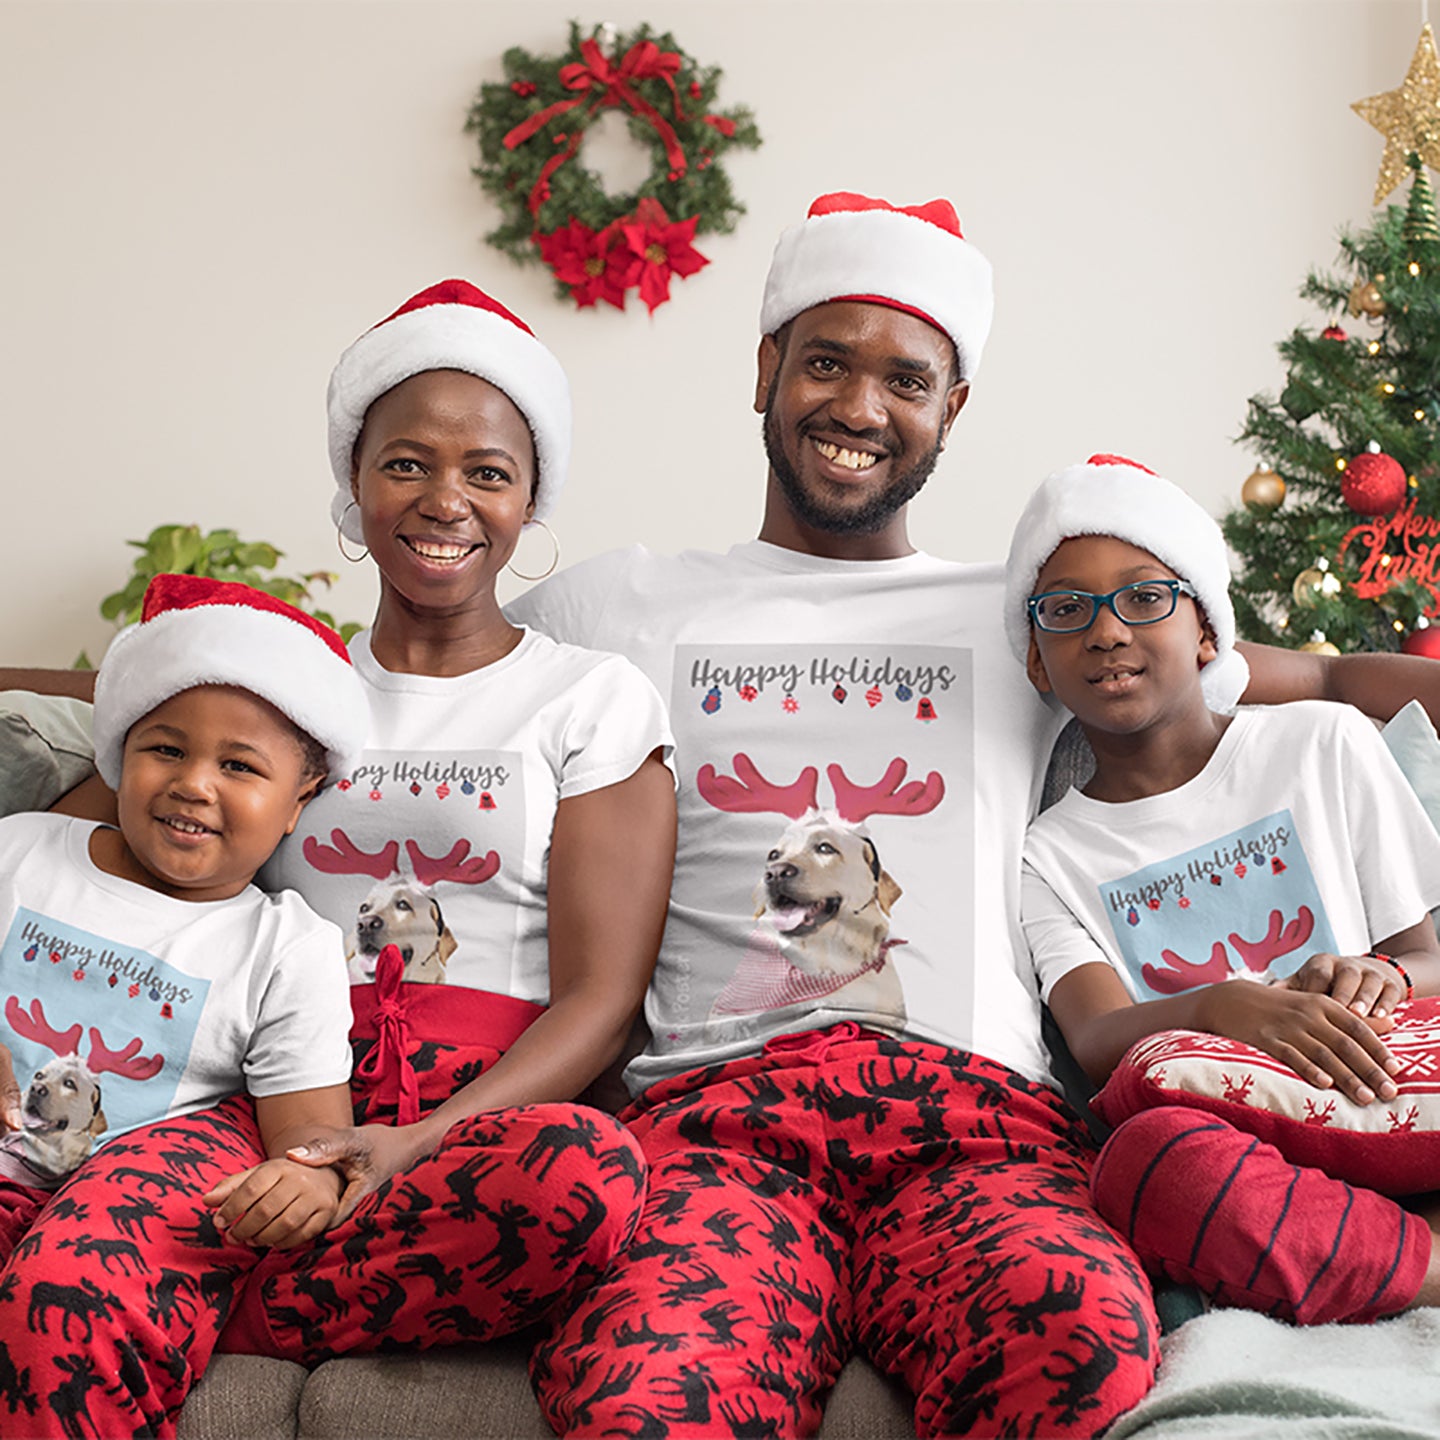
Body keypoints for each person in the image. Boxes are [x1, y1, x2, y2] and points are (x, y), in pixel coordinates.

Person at [507, 191, 1440, 1440]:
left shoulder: (1034, 616)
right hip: (716, 1125)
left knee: (1077, 1339)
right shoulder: (613, 605)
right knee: (649, 1390)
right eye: (825, 362)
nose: (858, 407)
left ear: (952, 410)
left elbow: (1320, 679)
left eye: (907, 378)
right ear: (767, 370)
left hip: (979, 1129)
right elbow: (378, 715)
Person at [0, 280, 677, 1438]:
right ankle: (164, 1278)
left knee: (583, 1175)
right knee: (73, 1282)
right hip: (257, 1097)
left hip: (471, 1116)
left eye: (488, 472)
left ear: (530, 501)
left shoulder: (589, 697)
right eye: (406, 463)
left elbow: (604, 1004)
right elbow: (105, 833)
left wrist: (409, 1143)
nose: (444, 501)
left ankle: (218, 1295)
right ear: (355, 483)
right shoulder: (272, 689)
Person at [1008, 452, 1440, 1325]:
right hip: (1250, 1145)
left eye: (1144, 597)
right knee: (1142, 1164)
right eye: (1067, 611)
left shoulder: (1321, 743)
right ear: (1039, 665)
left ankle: (1365, 1248)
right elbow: (1094, 1037)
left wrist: (1381, 977)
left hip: (1391, 1082)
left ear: (1207, 631)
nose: (1107, 630)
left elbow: (1427, 959)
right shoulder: (1046, 855)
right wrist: (1222, 1008)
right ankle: (1417, 1260)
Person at [0, 572, 366, 1267]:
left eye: (238, 765)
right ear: (118, 753)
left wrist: (306, 1180)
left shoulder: (285, 948)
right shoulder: (20, 848)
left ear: (298, 802)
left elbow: (311, 1138)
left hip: (110, 1239)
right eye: (166, 750)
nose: (194, 783)